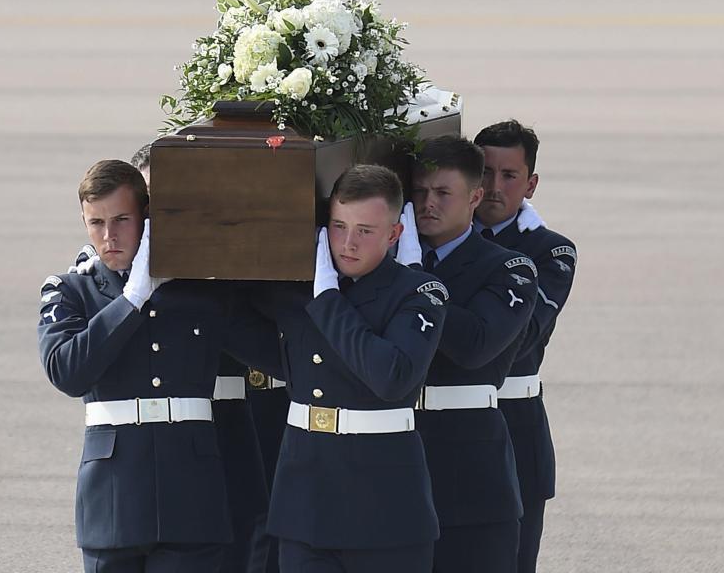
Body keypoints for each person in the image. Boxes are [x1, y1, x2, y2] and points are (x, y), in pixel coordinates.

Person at [38, 159, 276, 573]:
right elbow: (68, 372)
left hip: (191, 497)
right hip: (112, 498)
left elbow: (277, 354)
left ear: (147, 218)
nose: (108, 236)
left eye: (121, 220)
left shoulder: (201, 293)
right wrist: (131, 300)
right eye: (96, 223)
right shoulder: (71, 290)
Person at [253, 164, 448, 573]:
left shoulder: (418, 293)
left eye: (365, 230)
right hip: (306, 501)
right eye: (338, 227)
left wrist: (326, 299)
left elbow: (391, 378)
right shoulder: (294, 289)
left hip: (385, 507)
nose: (348, 243)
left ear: (394, 235)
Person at [407, 137, 539, 573]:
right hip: (396, 459)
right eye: (420, 193)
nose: (428, 204)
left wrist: (414, 282)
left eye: (443, 193)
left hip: (470, 467)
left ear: (474, 197)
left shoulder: (509, 268)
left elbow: (475, 346)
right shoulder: (383, 263)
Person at [474, 120, 578, 573]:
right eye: (483, 173)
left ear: (530, 183)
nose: (494, 187)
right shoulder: (433, 242)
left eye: (509, 175)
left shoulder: (551, 252)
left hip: (515, 426)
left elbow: (515, 339)